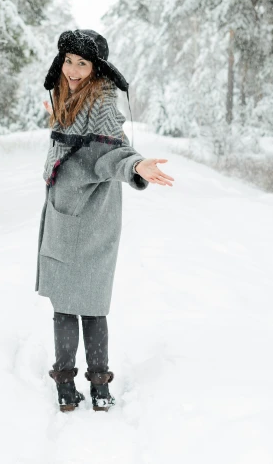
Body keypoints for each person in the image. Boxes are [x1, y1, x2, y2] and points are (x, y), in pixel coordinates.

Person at [35, 29, 175, 412]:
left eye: (83, 63)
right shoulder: (66, 97)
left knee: (91, 304)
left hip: (93, 216)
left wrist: (137, 165)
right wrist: (57, 117)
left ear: (97, 68)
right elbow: (72, 141)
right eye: (68, 61)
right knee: (66, 305)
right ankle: (69, 386)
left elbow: (116, 151)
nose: (74, 70)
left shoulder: (100, 103)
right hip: (65, 213)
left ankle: (97, 386)